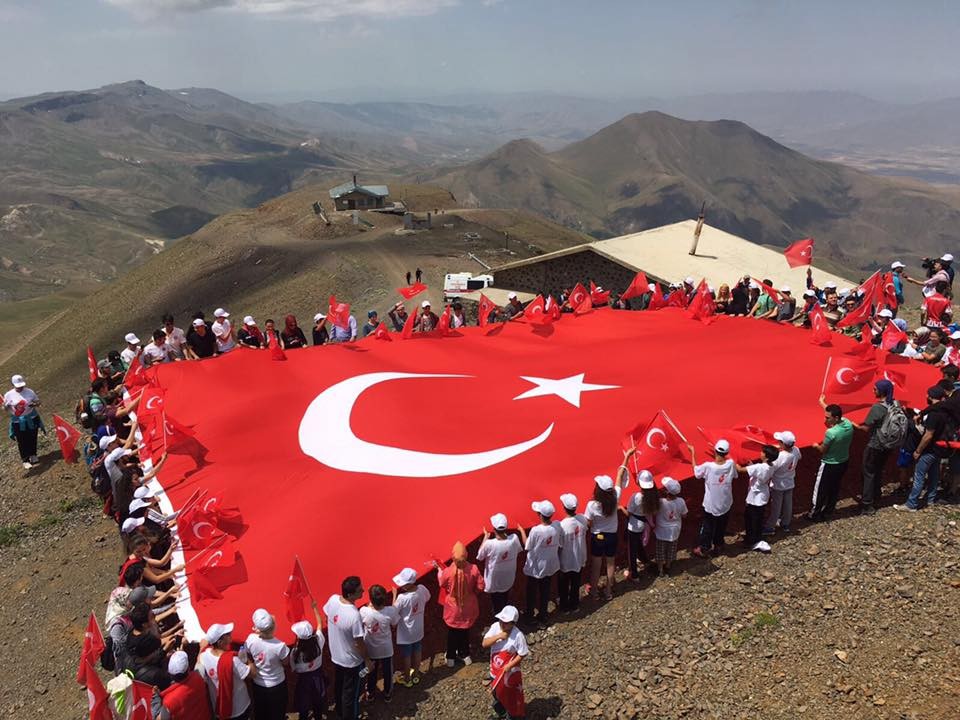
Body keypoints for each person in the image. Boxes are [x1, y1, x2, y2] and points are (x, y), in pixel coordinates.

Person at [896, 385, 951, 511]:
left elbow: (928, 435)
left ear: (931, 397)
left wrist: (918, 451)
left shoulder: (934, 414)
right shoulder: (945, 411)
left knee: (918, 476)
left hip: (930, 449)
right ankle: (931, 499)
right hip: (940, 447)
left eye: (927, 394)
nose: (926, 396)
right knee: (934, 474)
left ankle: (911, 504)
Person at [323, 576, 369, 720]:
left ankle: (339, 709)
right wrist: (367, 660)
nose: (363, 590)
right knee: (351, 693)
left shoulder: (333, 599)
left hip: (336, 655)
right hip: (352, 661)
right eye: (359, 590)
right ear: (350, 594)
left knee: (340, 683)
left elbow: (327, 615)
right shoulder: (354, 616)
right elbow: (359, 642)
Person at [857, 379, 903, 514]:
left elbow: (866, 428)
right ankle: (876, 496)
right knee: (878, 470)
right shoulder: (896, 404)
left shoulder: (878, 407)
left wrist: (851, 423)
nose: (873, 391)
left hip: (875, 444)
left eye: (875, 389)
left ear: (881, 391)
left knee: (868, 472)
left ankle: (867, 503)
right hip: (888, 445)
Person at [436, 541, 483, 667]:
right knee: (465, 632)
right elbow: (480, 586)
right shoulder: (473, 569)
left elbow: (442, 584)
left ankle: (450, 658)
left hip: (453, 609)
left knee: (452, 633)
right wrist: (473, 594)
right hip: (468, 607)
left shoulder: (448, 571)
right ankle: (465, 655)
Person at [200, 623, 256, 720]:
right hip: (239, 708)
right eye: (228, 634)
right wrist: (248, 661)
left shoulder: (203, 656)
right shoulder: (233, 661)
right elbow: (253, 674)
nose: (230, 635)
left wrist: (201, 648)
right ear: (220, 642)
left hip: (219, 708)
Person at [481, 605, 528, 720]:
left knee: (510, 696)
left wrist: (509, 665)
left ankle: (512, 715)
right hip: (495, 671)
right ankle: (503, 713)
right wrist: (498, 636)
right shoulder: (495, 627)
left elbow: (522, 653)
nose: (502, 624)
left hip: (508, 674)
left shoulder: (518, 635)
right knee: (496, 693)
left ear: (513, 623)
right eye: (501, 620)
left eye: (506, 622)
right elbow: (484, 643)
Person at [810, 401, 855, 521]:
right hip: (843, 461)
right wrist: (822, 403)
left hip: (829, 464)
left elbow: (823, 449)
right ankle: (829, 510)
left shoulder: (831, 433)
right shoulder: (848, 423)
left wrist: (815, 445)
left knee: (820, 489)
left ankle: (815, 514)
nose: (826, 420)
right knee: (834, 487)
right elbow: (837, 414)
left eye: (827, 418)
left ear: (835, 418)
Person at [691, 439, 736, 557]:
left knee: (707, 527)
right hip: (726, 503)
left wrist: (692, 454)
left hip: (711, 505)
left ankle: (704, 548)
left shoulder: (708, 466)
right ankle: (718, 545)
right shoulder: (731, 464)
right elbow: (734, 474)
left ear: (715, 451)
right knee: (721, 526)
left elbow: (697, 473)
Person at [522, 500, 562, 628]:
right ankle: (543, 615)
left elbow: (527, 545)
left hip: (536, 566)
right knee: (545, 590)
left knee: (532, 591)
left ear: (540, 515)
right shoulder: (556, 525)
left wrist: (522, 531)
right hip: (550, 564)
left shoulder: (536, 530)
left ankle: (529, 616)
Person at [245, 609, 289, 720]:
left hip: (258, 684)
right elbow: (286, 662)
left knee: (261, 712)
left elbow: (247, 653)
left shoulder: (251, 639)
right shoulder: (280, 646)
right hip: (277, 684)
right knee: (277, 713)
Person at [477, 513, 524, 616]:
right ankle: (503, 613)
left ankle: (500, 619)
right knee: (504, 595)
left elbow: (479, 556)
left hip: (494, 578)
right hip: (508, 576)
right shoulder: (514, 538)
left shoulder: (490, 544)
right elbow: (519, 550)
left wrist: (485, 537)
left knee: (496, 599)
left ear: (494, 529)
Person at [358, 584, 398, 702]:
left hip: (371, 649)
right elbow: (394, 623)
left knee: (371, 672)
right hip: (386, 649)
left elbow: (362, 621)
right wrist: (395, 595)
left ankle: (370, 693)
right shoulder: (390, 611)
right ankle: (387, 693)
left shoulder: (364, 611)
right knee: (388, 672)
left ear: (371, 599)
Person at [392, 567, 430, 688]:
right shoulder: (422, 589)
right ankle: (416, 674)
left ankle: (407, 678)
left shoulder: (402, 598)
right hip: (418, 628)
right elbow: (427, 597)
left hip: (406, 632)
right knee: (418, 650)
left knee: (407, 655)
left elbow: (394, 611)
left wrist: (394, 595)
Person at [585, 475, 620, 600]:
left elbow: (588, 523)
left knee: (596, 565)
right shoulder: (616, 498)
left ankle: (594, 592)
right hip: (612, 536)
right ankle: (608, 591)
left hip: (598, 536)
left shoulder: (592, 505)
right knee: (610, 564)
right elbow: (619, 478)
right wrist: (626, 459)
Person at [620, 463, 657, 581]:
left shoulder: (636, 497)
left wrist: (621, 508)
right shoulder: (652, 496)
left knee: (632, 551)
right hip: (642, 525)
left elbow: (629, 513)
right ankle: (646, 561)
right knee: (638, 545)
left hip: (634, 526)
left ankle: (634, 574)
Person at [738, 446, 777, 552]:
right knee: (758, 519)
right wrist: (752, 466)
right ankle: (754, 538)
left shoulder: (760, 467)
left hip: (755, 497)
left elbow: (740, 470)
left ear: (767, 457)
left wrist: (732, 461)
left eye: (763, 452)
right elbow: (757, 471)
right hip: (763, 495)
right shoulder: (772, 465)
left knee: (751, 519)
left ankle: (751, 540)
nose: (761, 453)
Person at [290, 610, 326, 720]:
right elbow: (320, 624)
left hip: (304, 681)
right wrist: (315, 609)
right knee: (318, 701)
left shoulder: (296, 652)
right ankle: (318, 716)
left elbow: (293, 668)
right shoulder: (319, 642)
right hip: (318, 676)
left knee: (303, 703)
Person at [764, 431, 801, 535]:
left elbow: (771, 468)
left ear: (783, 444)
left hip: (778, 485)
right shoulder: (796, 450)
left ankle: (770, 527)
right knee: (788, 504)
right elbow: (799, 456)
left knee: (776, 507)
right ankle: (785, 524)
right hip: (790, 482)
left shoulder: (780, 457)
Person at [158, 650, 212, 720]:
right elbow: (199, 662)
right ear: (188, 669)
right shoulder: (199, 676)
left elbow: (159, 718)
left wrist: (155, 700)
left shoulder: (169, 701)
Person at [4, 374, 43, 468]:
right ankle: (25, 460)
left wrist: (33, 404)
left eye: (21, 385)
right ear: (13, 384)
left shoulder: (30, 392)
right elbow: (5, 409)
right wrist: (6, 406)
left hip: (31, 417)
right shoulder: (8, 395)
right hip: (18, 421)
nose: (21, 388)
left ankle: (33, 455)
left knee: (32, 436)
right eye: (18, 386)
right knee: (22, 440)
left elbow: (38, 402)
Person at [557, 493, 587, 612]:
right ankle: (574, 604)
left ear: (564, 508)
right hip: (579, 557)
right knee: (576, 582)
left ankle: (564, 607)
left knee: (564, 585)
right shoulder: (582, 518)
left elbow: (559, 544)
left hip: (566, 559)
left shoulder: (562, 525)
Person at [654, 478, 687, 576]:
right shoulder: (681, 501)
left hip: (661, 531)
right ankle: (668, 566)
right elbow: (684, 515)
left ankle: (660, 569)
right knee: (671, 549)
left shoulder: (660, 502)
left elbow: (654, 512)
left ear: (666, 491)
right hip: (675, 530)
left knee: (660, 550)